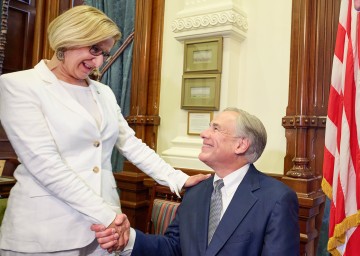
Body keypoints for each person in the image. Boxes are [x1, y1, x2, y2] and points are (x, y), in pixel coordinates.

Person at [0, 5, 209, 256]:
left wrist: (178, 179)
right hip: (46, 231)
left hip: (104, 234)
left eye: (105, 54)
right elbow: (44, 163)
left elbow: (130, 144)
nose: (99, 61)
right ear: (68, 39)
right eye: (94, 49)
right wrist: (108, 216)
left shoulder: (103, 92)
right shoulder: (19, 85)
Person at [93, 107, 300, 256]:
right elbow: (173, 247)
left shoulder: (276, 199)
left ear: (241, 145)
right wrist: (128, 239)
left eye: (216, 129)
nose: (203, 134)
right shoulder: (196, 191)